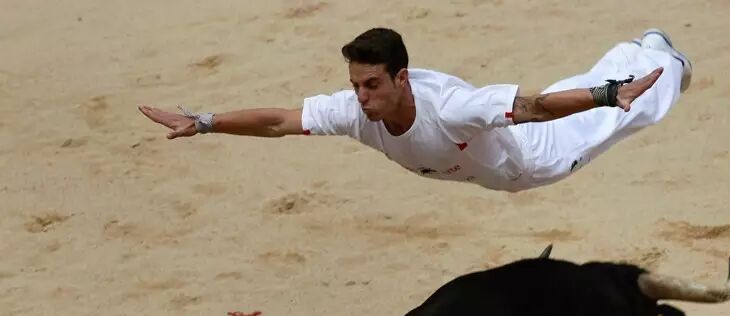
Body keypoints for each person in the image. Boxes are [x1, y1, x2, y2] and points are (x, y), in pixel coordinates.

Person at [139, 27, 691, 193]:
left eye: (371, 84)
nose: (361, 97)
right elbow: (280, 121)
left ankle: (667, 62)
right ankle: (637, 52)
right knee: (592, 88)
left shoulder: (451, 109)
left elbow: (538, 107)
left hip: (531, 160)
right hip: (488, 167)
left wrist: (607, 96)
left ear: (401, 78)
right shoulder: (355, 111)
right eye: (355, 85)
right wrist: (206, 122)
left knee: (618, 116)